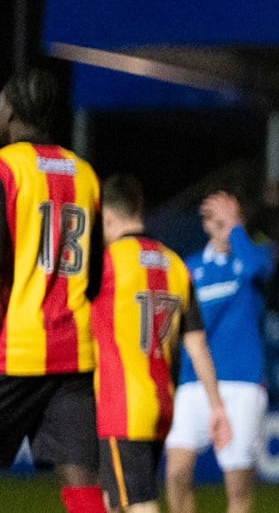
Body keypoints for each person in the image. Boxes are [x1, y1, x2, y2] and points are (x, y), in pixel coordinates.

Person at [92, 173, 232, 513]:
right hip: (162, 404)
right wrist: (216, 406)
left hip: (122, 406)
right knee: (113, 500)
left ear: (107, 216)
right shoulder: (176, 266)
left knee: (140, 503)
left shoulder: (106, 265)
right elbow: (197, 345)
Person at [0, 66, 106, 513]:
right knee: (82, 486)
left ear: (11, 112)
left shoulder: (6, 169)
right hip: (76, 353)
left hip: (18, 349)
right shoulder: (86, 175)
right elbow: (97, 273)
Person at [164, 189, 274, 513]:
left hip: (241, 380)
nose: (221, 226)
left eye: (227, 219)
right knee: (176, 472)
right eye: (214, 220)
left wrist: (236, 228)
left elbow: (255, 269)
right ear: (204, 225)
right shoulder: (191, 268)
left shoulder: (258, 254)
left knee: (237, 487)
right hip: (193, 380)